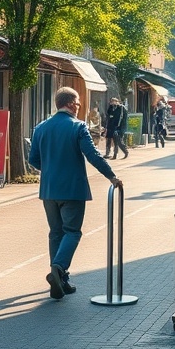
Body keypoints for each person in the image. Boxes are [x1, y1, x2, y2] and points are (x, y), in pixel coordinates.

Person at [28, 86, 123, 300]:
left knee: (55, 233)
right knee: (72, 232)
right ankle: (59, 268)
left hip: (49, 189)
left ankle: (60, 279)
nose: (79, 106)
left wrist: (51, 169)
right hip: (72, 189)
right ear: (71, 104)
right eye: (78, 102)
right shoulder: (78, 127)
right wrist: (111, 176)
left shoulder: (41, 128)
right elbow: (93, 155)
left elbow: (33, 159)